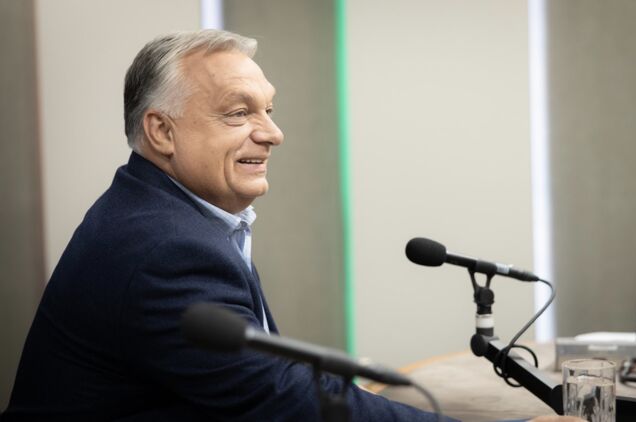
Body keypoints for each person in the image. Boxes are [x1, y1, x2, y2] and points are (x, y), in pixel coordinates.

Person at [3, 29, 577, 422]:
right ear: (161, 132)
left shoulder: (160, 211)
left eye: (268, 110)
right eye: (238, 112)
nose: (272, 133)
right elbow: (281, 401)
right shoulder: (164, 248)